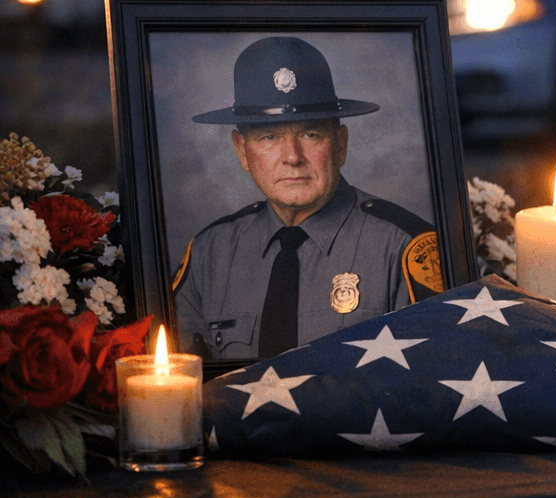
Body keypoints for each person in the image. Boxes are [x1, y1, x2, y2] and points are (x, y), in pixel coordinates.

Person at [174, 36, 442, 360]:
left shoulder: (404, 249)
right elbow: (180, 378)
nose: (292, 157)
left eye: (310, 134)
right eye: (269, 137)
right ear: (242, 151)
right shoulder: (208, 254)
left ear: (340, 144)